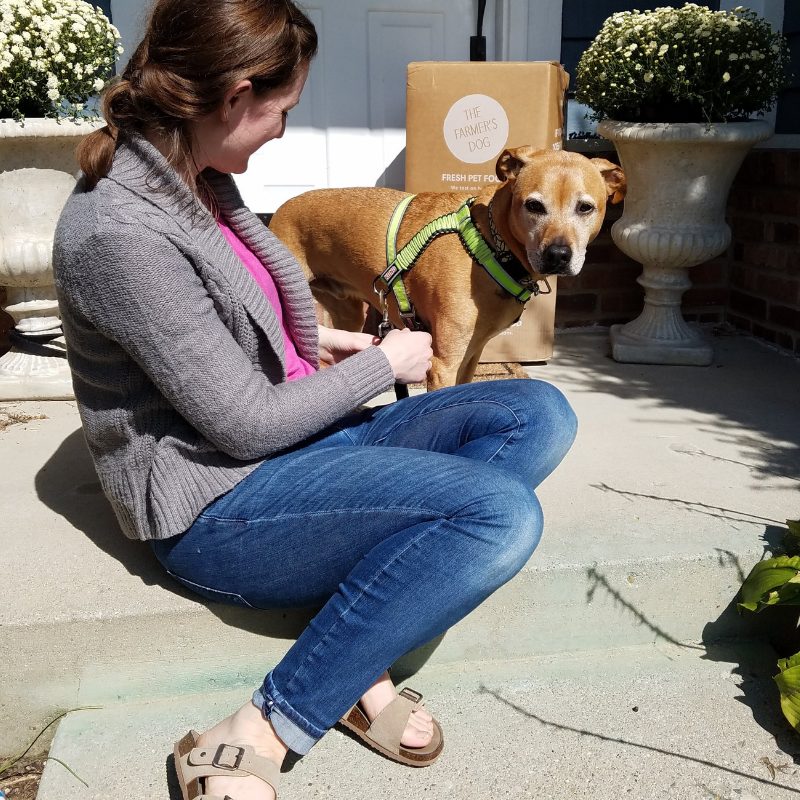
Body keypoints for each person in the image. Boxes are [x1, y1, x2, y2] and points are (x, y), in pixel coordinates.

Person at [53, 1, 578, 798]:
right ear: (235, 95)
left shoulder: (200, 180)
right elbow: (238, 423)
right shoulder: (119, 232)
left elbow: (218, 329)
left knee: (537, 411)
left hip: (300, 444)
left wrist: (321, 349)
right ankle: (266, 722)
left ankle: (360, 632)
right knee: (498, 514)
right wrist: (385, 363)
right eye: (284, 109)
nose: (284, 131)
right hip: (219, 505)